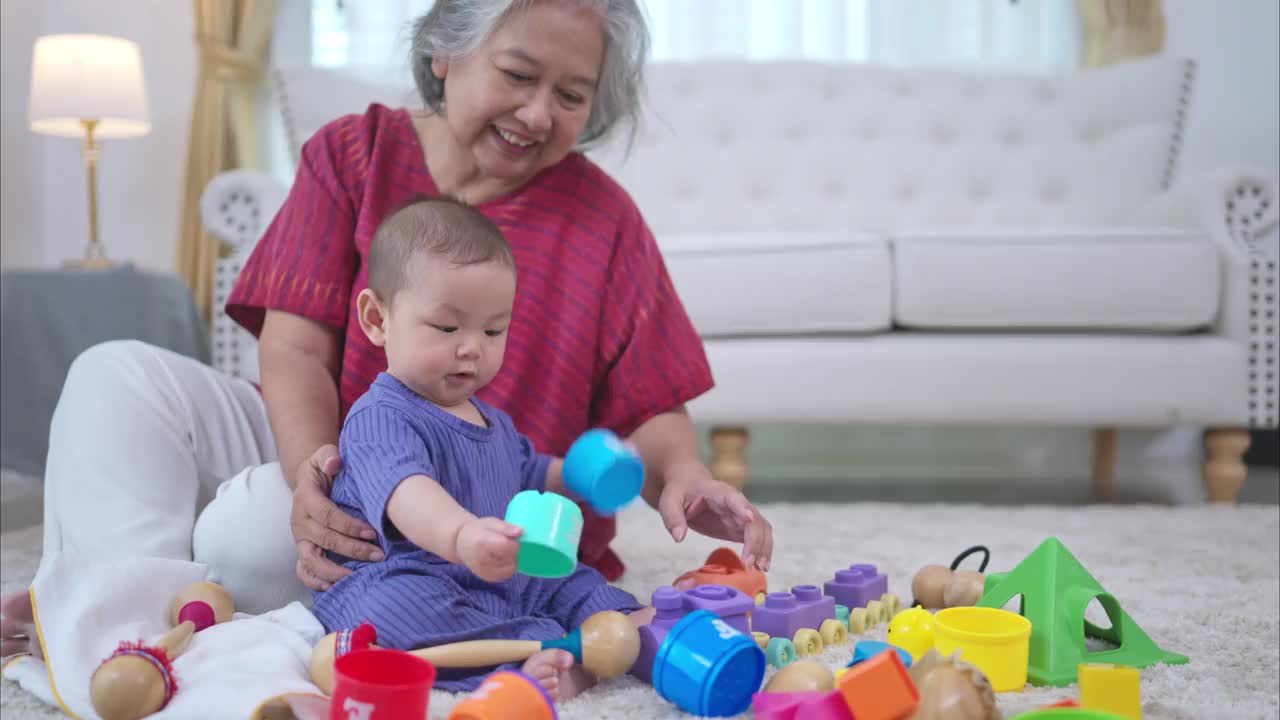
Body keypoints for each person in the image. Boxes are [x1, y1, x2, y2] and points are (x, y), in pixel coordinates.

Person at [0, 0, 773, 661]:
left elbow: (654, 399)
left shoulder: (604, 219)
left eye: (572, 95)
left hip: (464, 540)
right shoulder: (353, 152)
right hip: (326, 457)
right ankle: (109, 618)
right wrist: (316, 481)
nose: (539, 113)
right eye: (517, 74)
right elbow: (295, 344)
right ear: (444, 53)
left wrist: (685, 475)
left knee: (247, 532)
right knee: (114, 374)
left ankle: (169, 612)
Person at [316, 195, 651, 697]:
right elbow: (409, 493)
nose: (472, 346)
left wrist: (579, 473)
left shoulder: (491, 419)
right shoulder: (380, 416)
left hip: (493, 568)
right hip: (410, 571)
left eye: (494, 329)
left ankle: (627, 624)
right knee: (389, 614)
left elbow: (527, 472)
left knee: (566, 577)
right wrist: (461, 537)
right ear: (377, 319)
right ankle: (538, 653)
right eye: (447, 327)